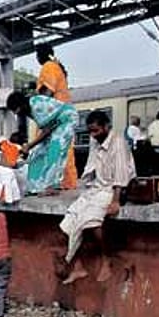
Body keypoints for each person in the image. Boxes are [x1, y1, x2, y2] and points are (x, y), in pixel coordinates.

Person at [60, 111, 136, 285]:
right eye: (90, 132)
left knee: (92, 221)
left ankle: (105, 259)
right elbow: (90, 168)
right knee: (71, 219)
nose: (93, 135)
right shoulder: (95, 142)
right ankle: (78, 266)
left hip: (117, 189)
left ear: (106, 127)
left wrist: (116, 201)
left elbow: (121, 174)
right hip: (97, 188)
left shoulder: (118, 143)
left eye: (96, 131)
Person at [6, 91, 78, 196]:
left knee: (55, 150)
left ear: (20, 105)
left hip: (67, 120)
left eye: (15, 110)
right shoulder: (29, 110)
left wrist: (29, 145)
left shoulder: (36, 105)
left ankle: (52, 186)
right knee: (36, 153)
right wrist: (31, 147)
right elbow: (46, 129)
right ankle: (34, 187)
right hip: (54, 125)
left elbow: (47, 130)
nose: (16, 113)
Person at [35, 43, 77, 190]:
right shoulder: (57, 67)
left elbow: (47, 92)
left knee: (49, 150)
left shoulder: (48, 67)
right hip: (62, 115)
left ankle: (51, 185)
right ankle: (66, 183)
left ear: (40, 55)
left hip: (54, 116)